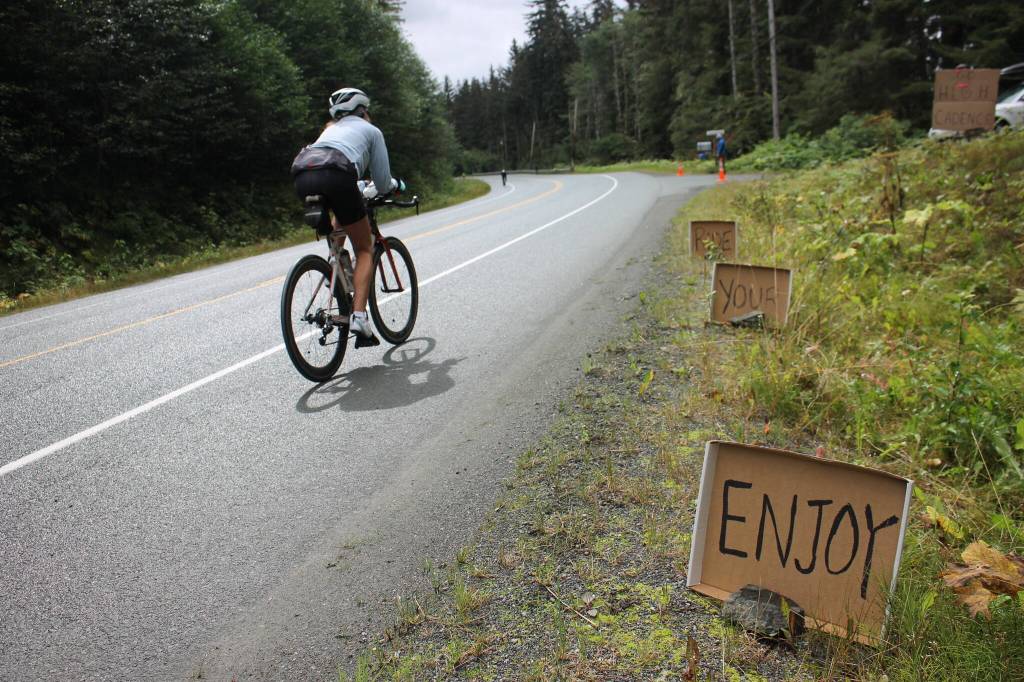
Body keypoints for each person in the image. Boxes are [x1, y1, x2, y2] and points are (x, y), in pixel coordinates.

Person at [292, 87, 403, 348]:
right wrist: (396, 185)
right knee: (365, 248)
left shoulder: (329, 130)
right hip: (338, 176)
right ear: (363, 110)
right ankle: (359, 317)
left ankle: (336, 269)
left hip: (303, 174)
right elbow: (383, 182)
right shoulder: (371, 131)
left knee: (342, 220)